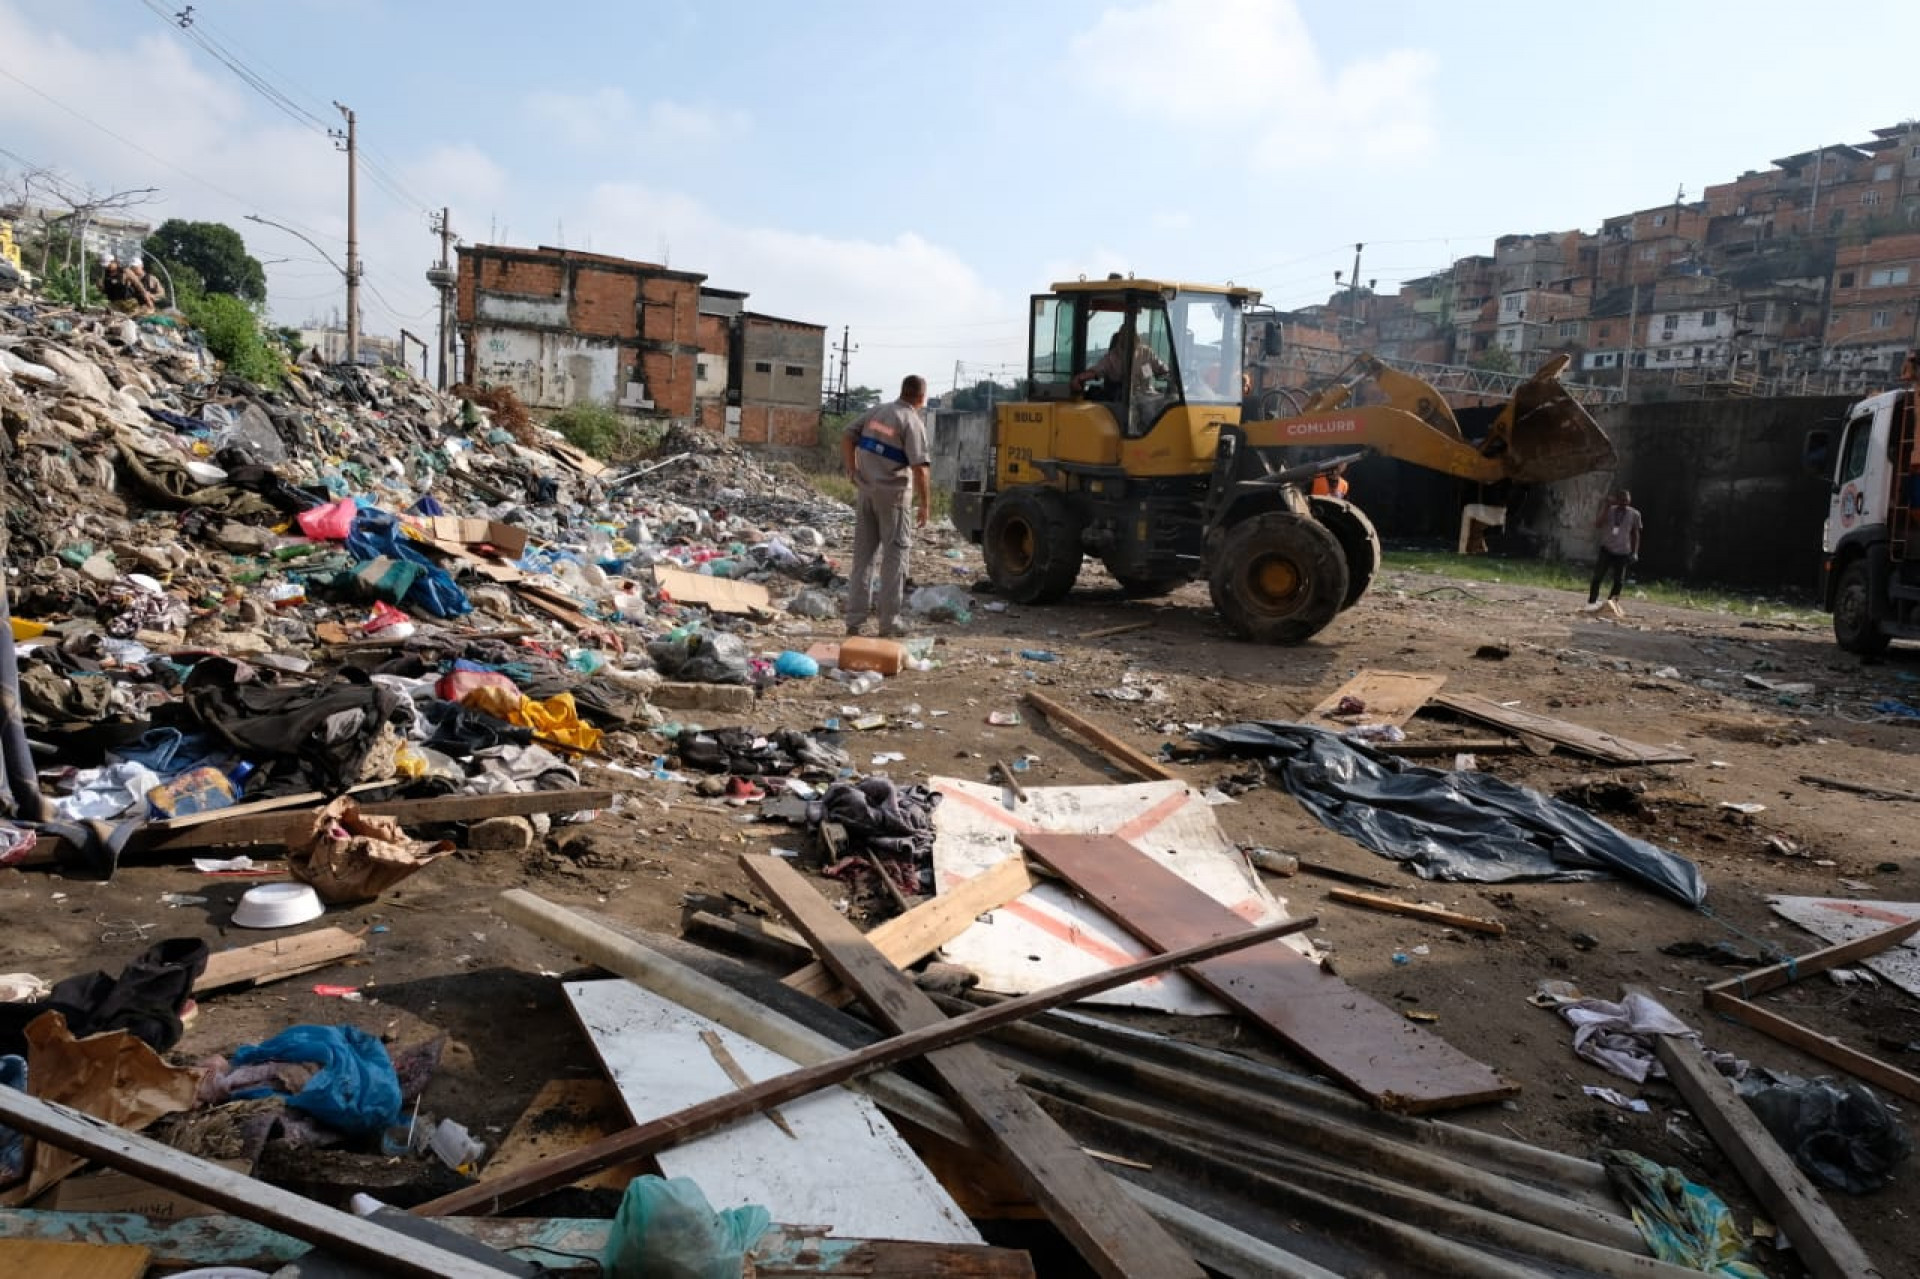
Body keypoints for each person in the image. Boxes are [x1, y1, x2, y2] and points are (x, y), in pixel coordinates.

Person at [841, 374, 932, 637]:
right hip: (893, 499)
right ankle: (889, 624)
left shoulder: (877, 412)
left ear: (902, 391)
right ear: (921, 397)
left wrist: (852, 470)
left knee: (863, 558)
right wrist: (925, 505)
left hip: (866, 492)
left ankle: (854, 621)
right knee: (894, 559)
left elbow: (848, 434)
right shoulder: (911, 421)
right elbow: (921, 470)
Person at [1586, 488, 1641, 611]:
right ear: (1617, 500)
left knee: (1618, 581)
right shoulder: (1609, 510)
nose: (1624, 503)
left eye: (1626, 500)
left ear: (1630, 500)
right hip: (1607, 549)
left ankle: (1612, 605)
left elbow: (1635, 534)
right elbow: (1598, 524)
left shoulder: (1635, 514)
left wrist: (1635, 552)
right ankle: (1591, 602)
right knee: (1597, 577)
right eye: (1621, 500)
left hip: (1623, 552)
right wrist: (1606, 507)